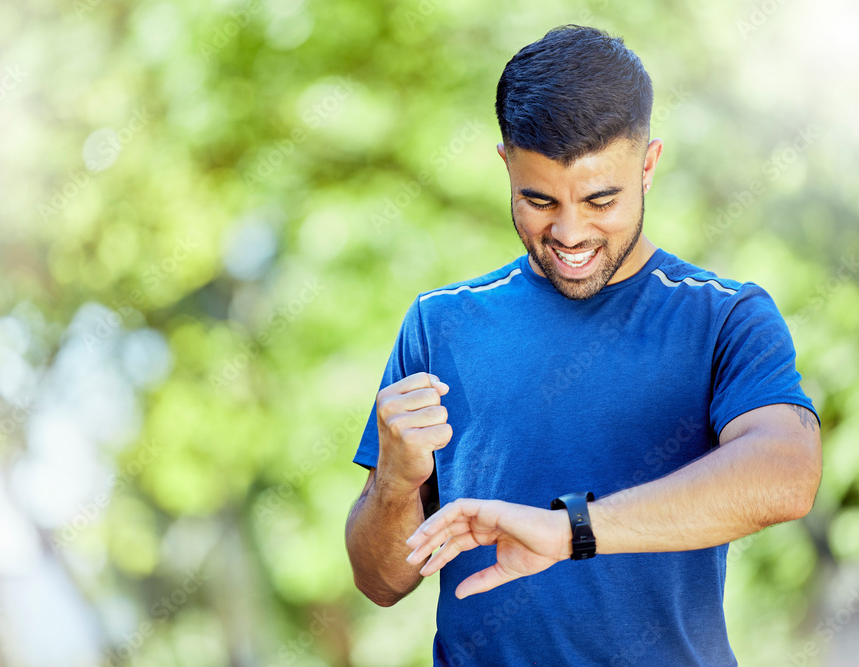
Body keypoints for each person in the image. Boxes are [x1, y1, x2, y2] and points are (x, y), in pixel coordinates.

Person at [343, 24, 822, 666]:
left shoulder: (724, 316)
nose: (570, 232)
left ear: (648, 165)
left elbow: (787, 474)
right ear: (506, 163)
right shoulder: (440, 324)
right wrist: (397, 482)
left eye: (601, 200)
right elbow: (380, 582)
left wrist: (571, 531)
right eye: (539, 200)